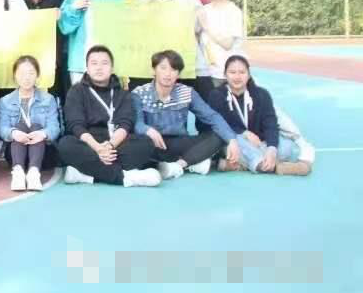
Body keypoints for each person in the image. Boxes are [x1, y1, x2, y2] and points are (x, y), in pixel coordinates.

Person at [57, 46, 161, 187]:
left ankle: (87, 175)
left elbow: (125, 124)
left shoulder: (122, 93)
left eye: (104, 63)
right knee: (65, 145)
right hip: (89, 143)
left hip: (116, 143)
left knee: (146, 143)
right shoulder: (76, 91)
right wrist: (98, 148)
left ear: (112, 68)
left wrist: (110, 146)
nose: (99, 68)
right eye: (94, 63)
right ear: (87, 68)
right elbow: (76, 125)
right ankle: (125, 177)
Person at [130, 49, 237, 180]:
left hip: (179, 143)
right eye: (163, 68)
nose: (168, 74)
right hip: (152, 144)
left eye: (173, 70)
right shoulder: (139, 93)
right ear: (154, 70)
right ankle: (195, 162)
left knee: (218, 136)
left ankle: (179, 165)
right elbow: (137, 123)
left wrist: (232, 139)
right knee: (133, 145)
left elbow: (211, 116)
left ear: (178, 74)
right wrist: (147, 130)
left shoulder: (187, 92)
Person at [208, 55, 311, 176]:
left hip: (259, 142)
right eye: (232, 72)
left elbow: (271, 123)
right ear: (225, 75)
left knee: (286, 147)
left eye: (242, 72)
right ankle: (269, 166)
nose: (237, 77)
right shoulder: (216, 95)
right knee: (237, 142)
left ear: (248, 75)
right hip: (234, 141)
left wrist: (271, 149)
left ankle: (239, 164)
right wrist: (244, 133)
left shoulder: (262, 94)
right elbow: (218, 123)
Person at [58, 0, 123, 86]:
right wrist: (74, 8)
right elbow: (65, 26)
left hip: (109, 58)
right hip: (80, 60)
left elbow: (122, 24)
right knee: (81, 97)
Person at [0, 56, 61, 192]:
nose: (26, 78)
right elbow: (1, 128)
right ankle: (18, 173)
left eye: (31, 73)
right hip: (15, 152)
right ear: (15, 76)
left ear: (37, 75)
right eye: (21, 73)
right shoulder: (5, 101)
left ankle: (34, 174)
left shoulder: (48, 99)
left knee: (37, 127)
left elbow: (55, 127)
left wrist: (43, 134)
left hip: (43, 153)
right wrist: (13, 133)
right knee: (19, 127)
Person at [13, 0, 67, 104]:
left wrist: (60, 17)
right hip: (22, 53)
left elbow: (62, 30)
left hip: (49, 56)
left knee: (49, 96)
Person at [196, 0, 245, 102]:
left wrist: (206, 27)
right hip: (206, 72)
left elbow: (227, 44)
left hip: (226, 74)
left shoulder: (233, 11)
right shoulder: (204, 10)